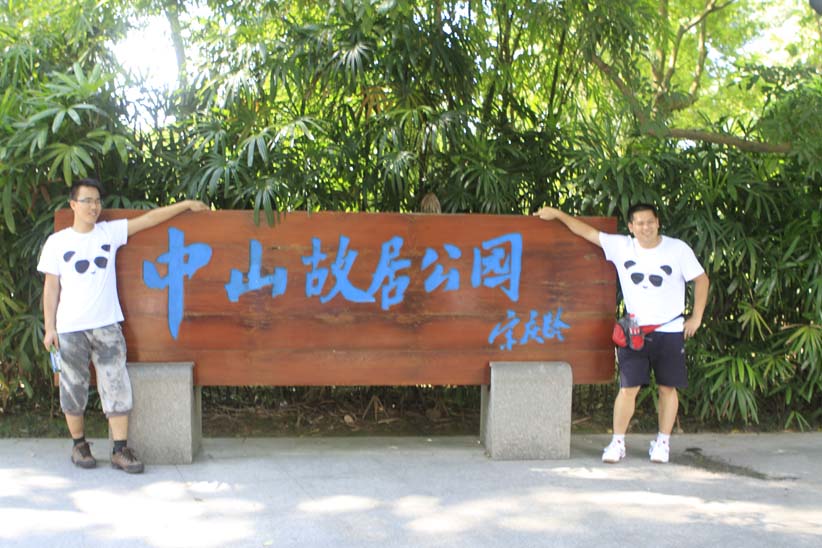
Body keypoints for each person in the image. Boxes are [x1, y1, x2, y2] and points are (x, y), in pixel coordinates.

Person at [38, 178, 208, 473]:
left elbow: (149, 219)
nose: (94, 206)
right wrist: (49, 327)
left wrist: (185, 205)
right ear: (73, 204)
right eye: (87, 201)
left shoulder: (109, 232)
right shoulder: (57, 242)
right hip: (69, 328)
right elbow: (51, 288)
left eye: (97, 201)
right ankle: (79, 445)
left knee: (116, 385)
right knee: (73, 387)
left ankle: (120, 450)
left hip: (107, 325)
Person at [534, 203, 709, 464]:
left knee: (667, 388)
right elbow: (586, 232)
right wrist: (557, 214)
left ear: (658, 222)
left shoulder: (678, 249)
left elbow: (701, 279)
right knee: (628, 388)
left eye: (650, 222)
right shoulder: (622, 246)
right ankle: (617, 442)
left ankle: (663, 442)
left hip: (670, 330)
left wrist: (696, 317)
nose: (645, 227)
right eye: (640, 223)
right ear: (631, 226)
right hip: (634, 330)